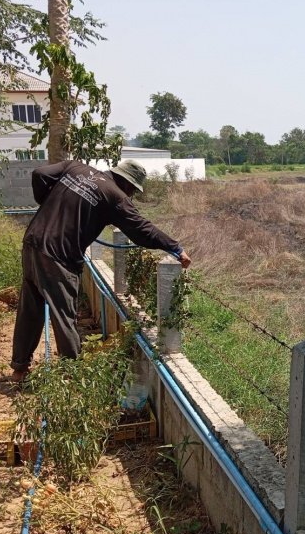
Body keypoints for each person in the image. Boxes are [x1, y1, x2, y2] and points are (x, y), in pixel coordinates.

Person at [10, 160, 191, 381]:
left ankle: (20, 369)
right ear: (127, 183)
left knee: (30, 307)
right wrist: (175, 247)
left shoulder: (76, 168)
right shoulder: (115, 196)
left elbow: (39, 173)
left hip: (33, 241)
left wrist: (46, 202)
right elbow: (142, 230)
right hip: (59, 255)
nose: (131, 194)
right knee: (63, 316)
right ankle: (71, 377)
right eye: (133, 189)